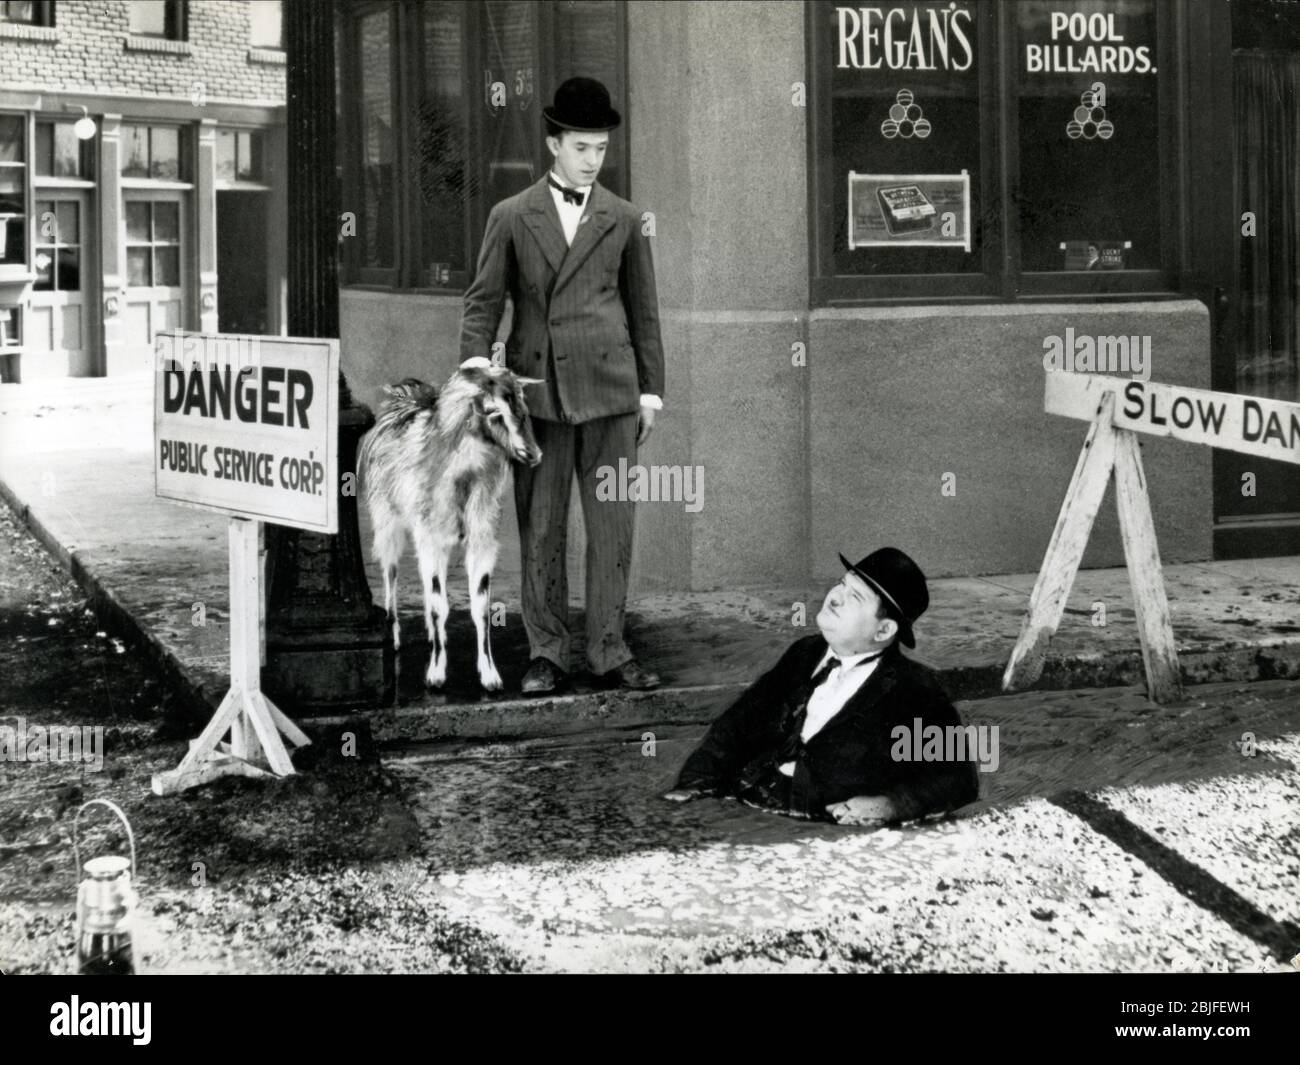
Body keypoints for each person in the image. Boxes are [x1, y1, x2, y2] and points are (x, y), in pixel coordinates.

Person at [460, 76, 664, 694]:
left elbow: (644, 309)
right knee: (541, 525)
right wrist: (477, 381)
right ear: (554, 144)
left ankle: (608, 648)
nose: (592, 160)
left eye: (600, 148)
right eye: (581, 147)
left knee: (612, 526)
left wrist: (650, 392)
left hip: (610, 392)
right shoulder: (512, 216)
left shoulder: (625, 219)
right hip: (538, 396)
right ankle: (546, 651)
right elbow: (482, 304)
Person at [664, 547, 979, 825]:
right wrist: (696, 782)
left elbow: (958, 779)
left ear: (883, 629)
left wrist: (891, 806)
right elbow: (738, 724)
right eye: (842, 583)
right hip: (748, 803)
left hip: (821, 829)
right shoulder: (805, 654)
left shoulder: (914, 690)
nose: (834, 597)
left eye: (854, 597)